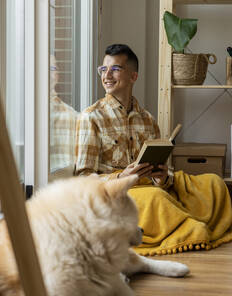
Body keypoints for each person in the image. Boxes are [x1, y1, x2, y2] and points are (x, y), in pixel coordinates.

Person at [75, 44, 232, 256]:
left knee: (213, 182)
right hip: (116, 195)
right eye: (103, 69)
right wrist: (121, 177)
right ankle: (192, 229)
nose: (107, 76)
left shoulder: (148, 119)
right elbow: (83, 180)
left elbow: (163, 170)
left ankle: (187, 220)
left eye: (115, 69)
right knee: (156, 198)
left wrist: (162, 178)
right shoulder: (90, 117)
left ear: (133, 77)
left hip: (150, 186)